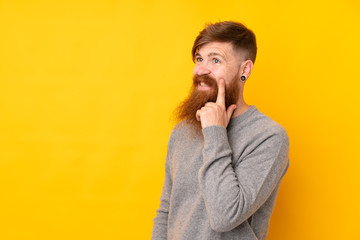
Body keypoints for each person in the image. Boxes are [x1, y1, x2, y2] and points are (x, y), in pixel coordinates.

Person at [151, 21, 289, 240]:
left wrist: (215, 132)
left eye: (215, 60)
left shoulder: (268, 137)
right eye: (199, 59)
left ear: (245, 70)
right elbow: (167, 210)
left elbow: (225, 216)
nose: (201, 69)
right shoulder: (182, 131)